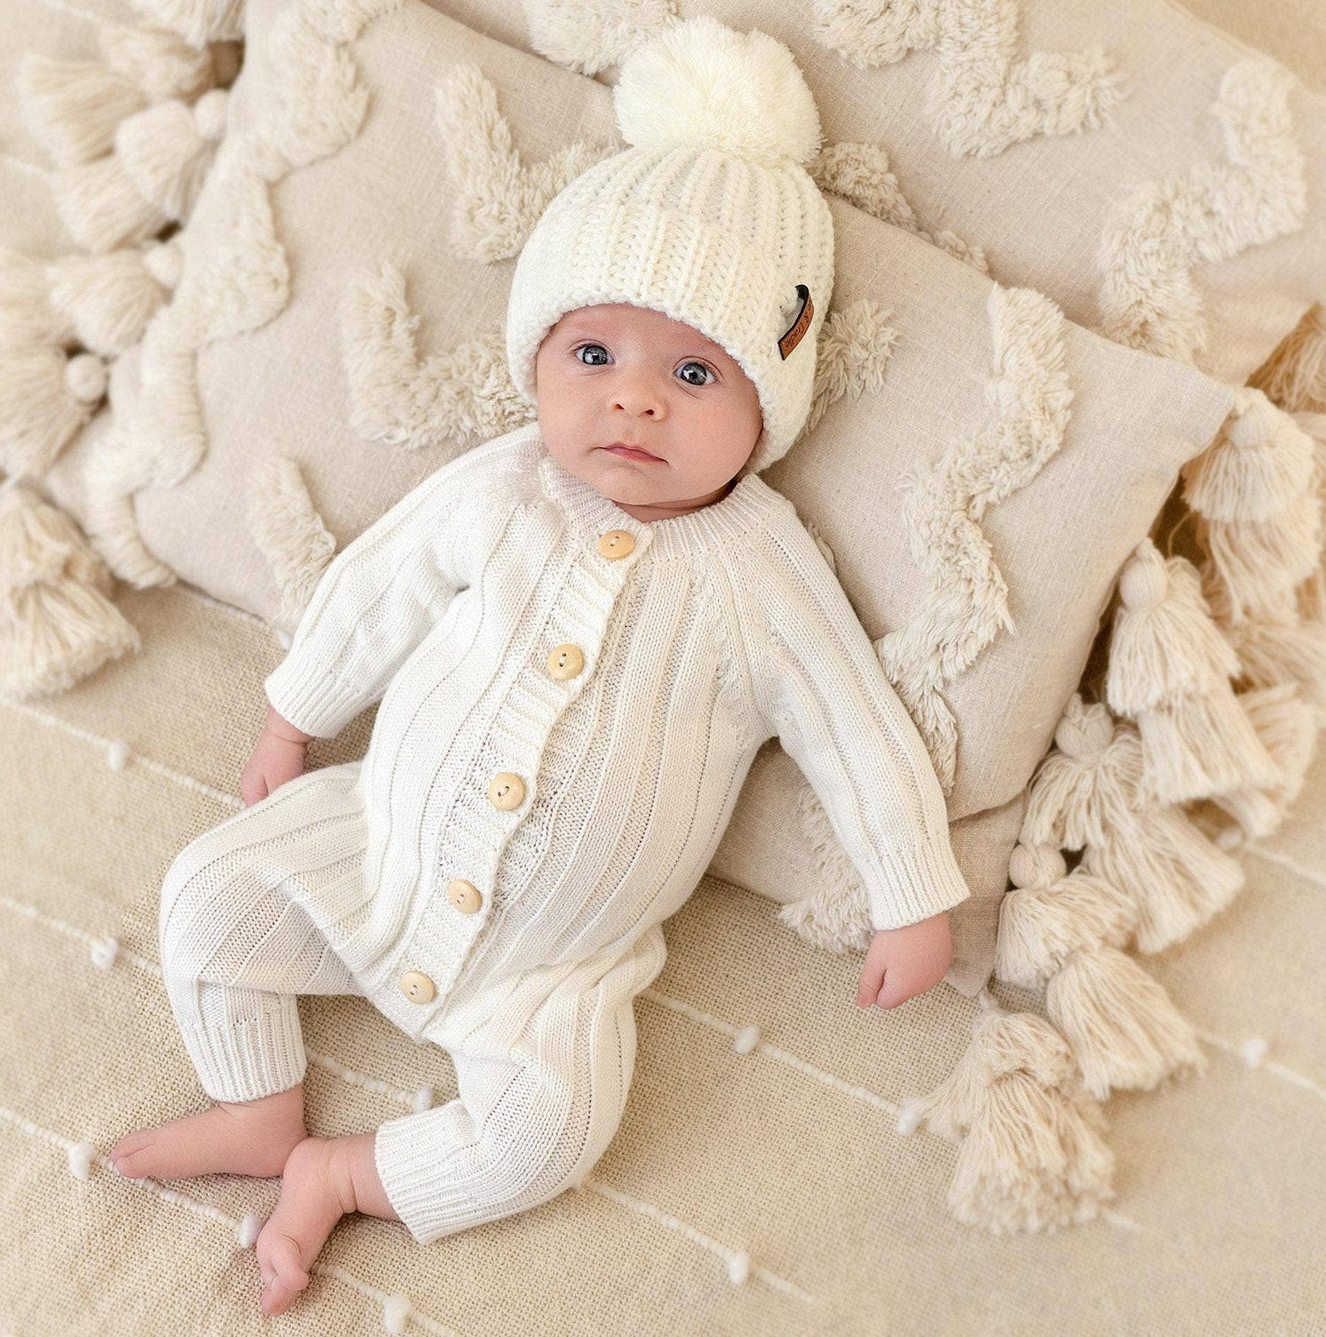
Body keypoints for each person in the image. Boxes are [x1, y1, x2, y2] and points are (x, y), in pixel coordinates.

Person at [107, 14, 972, 1316]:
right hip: (377, 845)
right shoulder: (504, 487)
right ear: (536, 359)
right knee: (205, 897)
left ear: (769, 402)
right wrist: (294, 716)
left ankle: (343, 1173)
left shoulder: (760, 565)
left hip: (558, 963)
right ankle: (254, 1105)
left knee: (553, 1131)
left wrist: (909, 887)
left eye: (693, 370)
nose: (634, 400)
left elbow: (853, 726)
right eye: (593, 355)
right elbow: (378, 586)